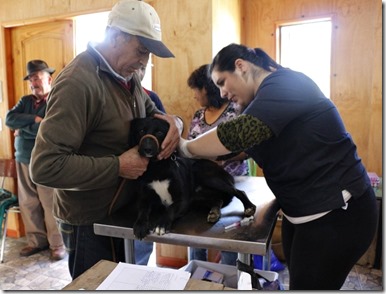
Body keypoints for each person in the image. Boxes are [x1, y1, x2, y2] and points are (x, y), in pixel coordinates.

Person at [178, 43, 378, 290]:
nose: (222, 93)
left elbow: (238, 134)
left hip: (339, 214)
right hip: (304, 215)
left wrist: (184, 147)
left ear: (240, 67)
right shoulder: (260, 103)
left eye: (222, 82)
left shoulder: (286, 84)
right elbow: (239, 150)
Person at [29, 0, 182, 280]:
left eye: (148, 55)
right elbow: (44, 167)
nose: (143, 62)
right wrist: (117, 166)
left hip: (122, 214)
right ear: (115, 36)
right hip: (90, 224)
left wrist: (176, 123)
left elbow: (156, 115)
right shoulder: (77, 83)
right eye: (140, 51)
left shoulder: (127, 77)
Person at [186, 64, 248, 265]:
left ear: (206, 88)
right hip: (202, 186)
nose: (194, 95)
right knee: (195, 238)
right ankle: (197, 280)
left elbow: (249, 149)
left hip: (232, 183)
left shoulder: (235, 112)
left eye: (196, 89)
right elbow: (190, 146)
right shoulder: (198, 115)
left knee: (229, 240)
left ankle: (228, 282)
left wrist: (223, 158)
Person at [5, 60, 66, 261]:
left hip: (45, 160)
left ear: (48, 79)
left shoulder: (56, 100)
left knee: (50, 204)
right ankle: (36, 242)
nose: (34, 83)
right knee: (28, 203)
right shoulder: (25, 101)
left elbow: (49, 129)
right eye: (31, 79)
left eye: (37, 78)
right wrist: (33, 120)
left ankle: (57, 244)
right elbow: (9, 119)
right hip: (22, 159)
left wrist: (23, 130)